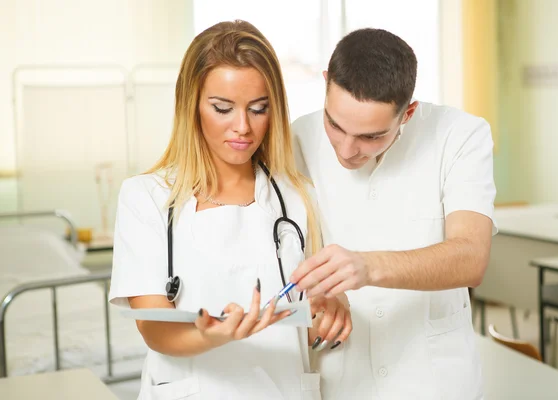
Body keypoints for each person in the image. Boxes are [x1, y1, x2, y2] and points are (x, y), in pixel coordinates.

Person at [108, 20, 351, 400]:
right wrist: (210, 333)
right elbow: (154, 328)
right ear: (192, 106)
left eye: (258, 109)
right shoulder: (146, 197)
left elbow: (310, 321)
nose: (243, 127)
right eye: (223, 108)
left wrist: (327, 315)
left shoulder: (297, 196)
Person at [289, 28, 497, 399]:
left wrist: (367, 268)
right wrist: (313, 301)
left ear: (409, 112)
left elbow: (471, 257)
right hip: (340, 379)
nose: (347, 149)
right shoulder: (294, 141)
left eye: (371, 136)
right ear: (325, 85)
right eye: (335, 125)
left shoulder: (460, 136)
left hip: (434, 381)